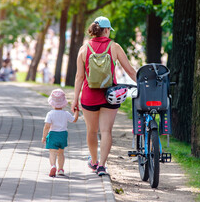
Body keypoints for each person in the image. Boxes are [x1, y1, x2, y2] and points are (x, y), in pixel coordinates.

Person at [71, 16, 137, 176]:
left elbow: (79, 77)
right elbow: (129, 70)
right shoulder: (114, 47)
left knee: (91, 131)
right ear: (106, 30)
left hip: (89, 95)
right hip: (110, 95)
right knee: (106, 131)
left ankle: (93, 161)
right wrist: (143, 83)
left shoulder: (84, 49)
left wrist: (75, 100)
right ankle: (102, 165)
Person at [42, 89, 79, 177]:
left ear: (51, 102)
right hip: (63, 135)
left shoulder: (50, 114)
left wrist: (44, 136)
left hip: (53, 134)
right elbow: (74, 120)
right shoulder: (66, 113)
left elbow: (47, 126)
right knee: (61, 153)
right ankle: (61, 169)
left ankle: (53, 166)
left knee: (52, 152)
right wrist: (77, 111)